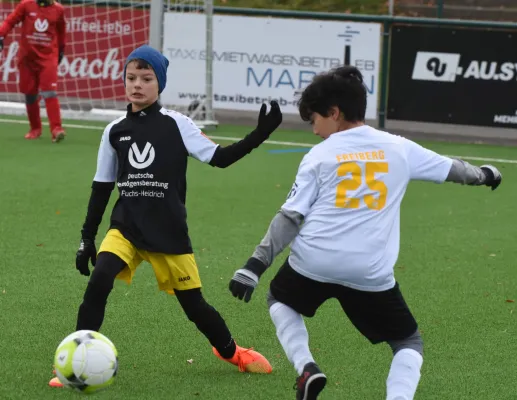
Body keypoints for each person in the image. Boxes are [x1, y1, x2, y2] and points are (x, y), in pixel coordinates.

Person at [228, 65, 502, 400]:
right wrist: (486, 175)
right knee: (407, 342)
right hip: (368, 270)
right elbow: (454, 170)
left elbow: (290, 217)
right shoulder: (399, 147)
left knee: (280, 299)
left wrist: (254, 266)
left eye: (314, 120)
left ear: (334, 113)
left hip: (314, 261)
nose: (314, 131)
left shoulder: (320, 155)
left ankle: (307, 368)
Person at [48, 44, 283, 388]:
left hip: (168, 233)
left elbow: (220, 158)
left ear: (160, 84)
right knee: (99, 281)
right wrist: (87, 238)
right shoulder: (114, 130)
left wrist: (260, 133)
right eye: (131, 78)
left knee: (194, 306)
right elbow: (102, 187)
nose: (137, 85)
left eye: (146, 78)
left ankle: (232, 352)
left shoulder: (177, 124)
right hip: (125, 228)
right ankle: (76, 363)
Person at [0, 0, 66, 142]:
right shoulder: (26, 5)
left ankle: (56, 129)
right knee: (30, 94)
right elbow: (10, 21)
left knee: (50, 92)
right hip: (27, 58)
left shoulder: (59, 10)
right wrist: (1, 34)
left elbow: (61, 32)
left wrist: (61, 50)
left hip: (48, 57)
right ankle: (35, 128)